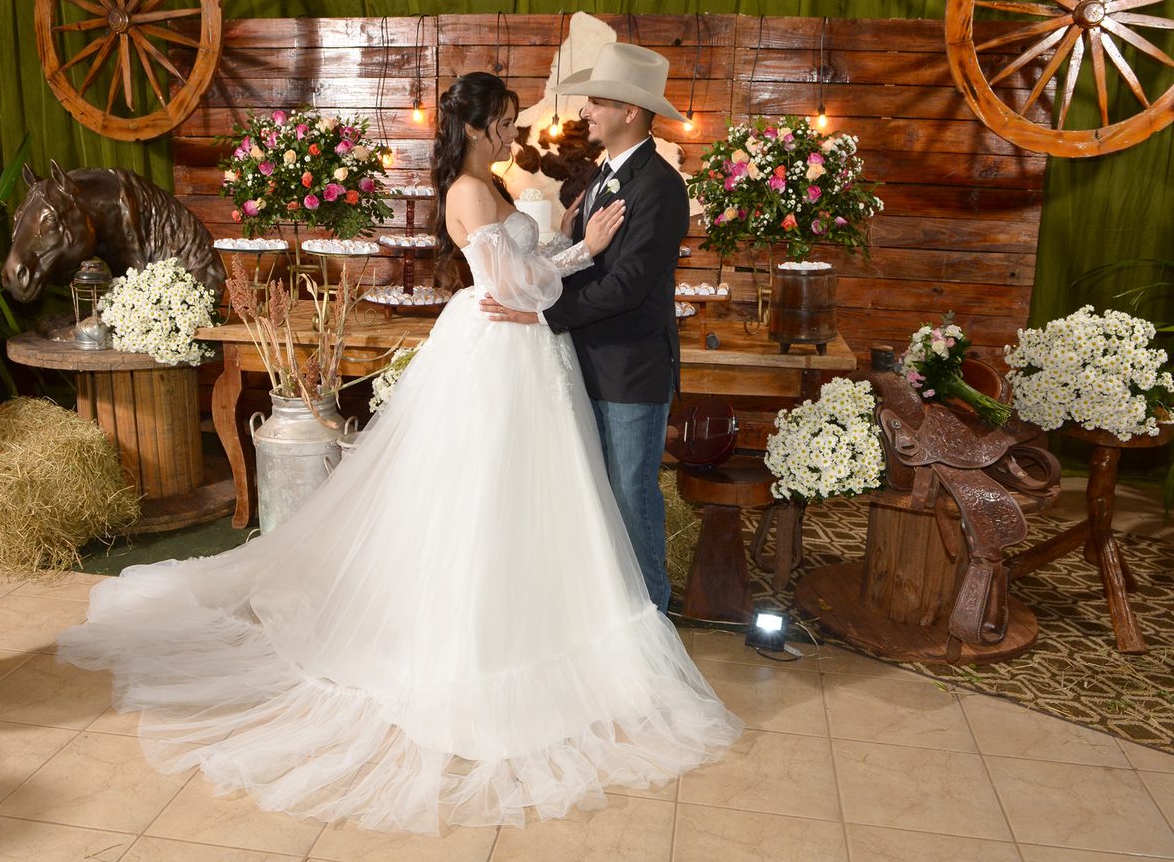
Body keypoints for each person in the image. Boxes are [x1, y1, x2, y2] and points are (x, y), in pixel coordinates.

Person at [57, 71, 741, 836]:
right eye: (504, 121)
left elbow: (534, 266)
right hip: (502, 346)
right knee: (488, 494)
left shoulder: (498, 184)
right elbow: (517, 283)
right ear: (476, 128)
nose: (515, 132)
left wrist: (571, 243)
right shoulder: (468, 192)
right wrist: (585, 247)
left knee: (544, 497)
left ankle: (586, 628)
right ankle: (490, 638)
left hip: (530, 350)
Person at [482, 43, 689, 614]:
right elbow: (589, 263)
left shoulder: (661, 186)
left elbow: (629, 286)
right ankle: (610, 620)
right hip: (584, 362)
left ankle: (652, 620)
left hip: (630, 370)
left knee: (630, 496)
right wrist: (564, 247)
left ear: (630, 111)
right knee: (596, 500)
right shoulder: (605, 173)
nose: (586, 111)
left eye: (596, 101)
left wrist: (542, 315)